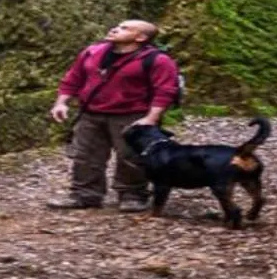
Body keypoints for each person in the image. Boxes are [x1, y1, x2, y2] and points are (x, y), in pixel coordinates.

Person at [45, 18, 180, 211]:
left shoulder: (158, 60)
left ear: (140, 37)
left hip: (132, 114)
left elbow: (165, 90)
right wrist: (61, 103)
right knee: (85, 155)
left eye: (124, 28)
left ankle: (132, 195)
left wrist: (151, 119)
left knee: (130, 156)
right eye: (117, 26)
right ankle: (85, 195)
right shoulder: (93, 52)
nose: (115, 29)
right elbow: (73, 78)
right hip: (91, 113)